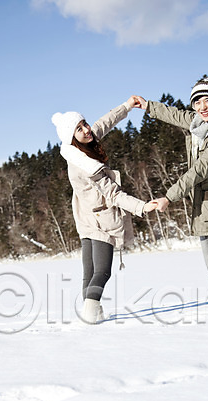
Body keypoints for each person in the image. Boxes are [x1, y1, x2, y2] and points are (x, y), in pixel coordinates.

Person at [135, 75, 208, 314]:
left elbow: (202, 167)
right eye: (197, 102)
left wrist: (169, 197)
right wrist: (148, 106)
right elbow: (175, 115)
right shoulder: (198, 124)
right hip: (201, 205)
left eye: (207, 100)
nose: (202, 107)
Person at [51, 97, 165, 324]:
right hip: (99, 220)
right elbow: (114, 194)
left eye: (84, 123)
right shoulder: (86, 166)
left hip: (85, 219)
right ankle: (91, 316)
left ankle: (91, 314)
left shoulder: (83, 145)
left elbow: (104, 122)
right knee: (102, 272)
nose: (86, 129)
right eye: (79, 129)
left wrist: (127, 106)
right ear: (71, 137)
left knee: (90, 273)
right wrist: (142, 207)